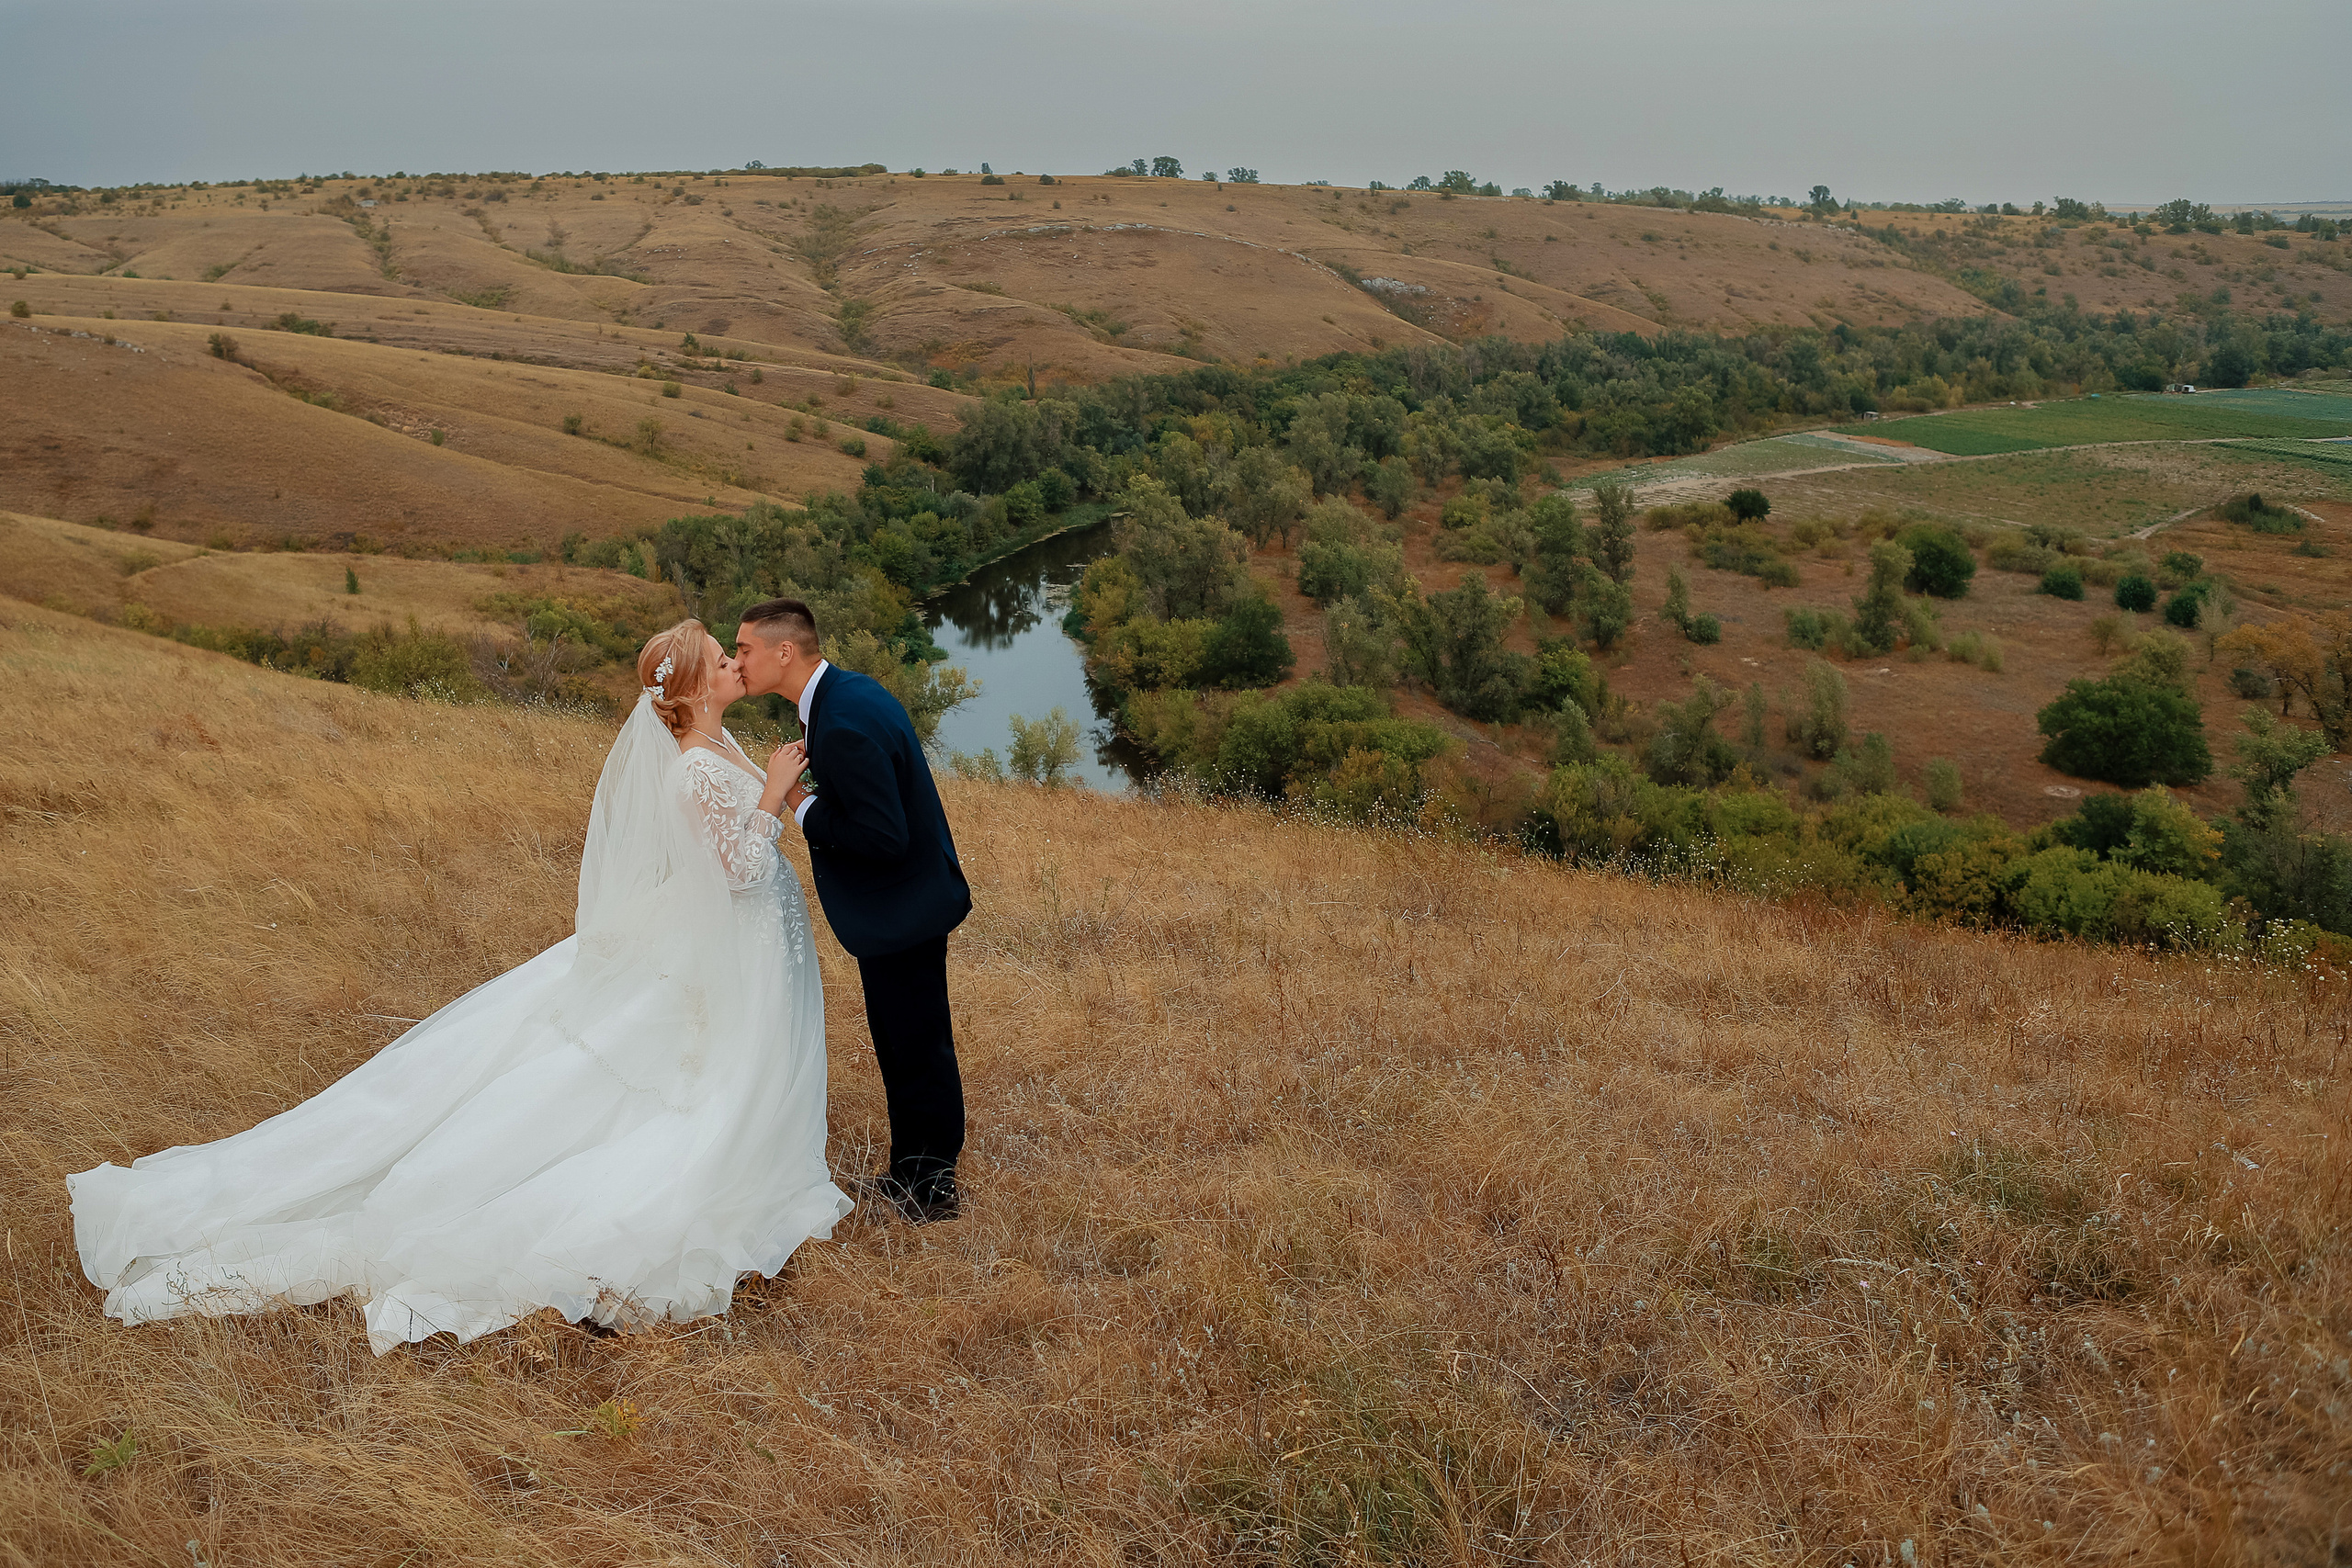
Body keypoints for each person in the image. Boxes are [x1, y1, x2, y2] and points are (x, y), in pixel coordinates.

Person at [67, 621, 849, 1355]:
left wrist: (780, 782)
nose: (732, 663)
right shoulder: (691, 772)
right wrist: (775, 794)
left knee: (735, 1056)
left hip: (738, 946)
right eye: (719, 657)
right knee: (693, 1077)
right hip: (732, 936)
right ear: (690, 690)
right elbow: (740, 871)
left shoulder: (719, 743)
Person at [733, 597, 970, 1224]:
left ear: (785, 651)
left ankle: (932, 1189)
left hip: (902, 911)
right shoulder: (848, 694)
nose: (739, 661)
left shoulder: (838, 721)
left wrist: (797, 805)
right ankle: (912, 1171)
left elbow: (883, 835)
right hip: (909, 903)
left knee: (915, 1045)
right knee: (907, 1040)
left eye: (745, 649)